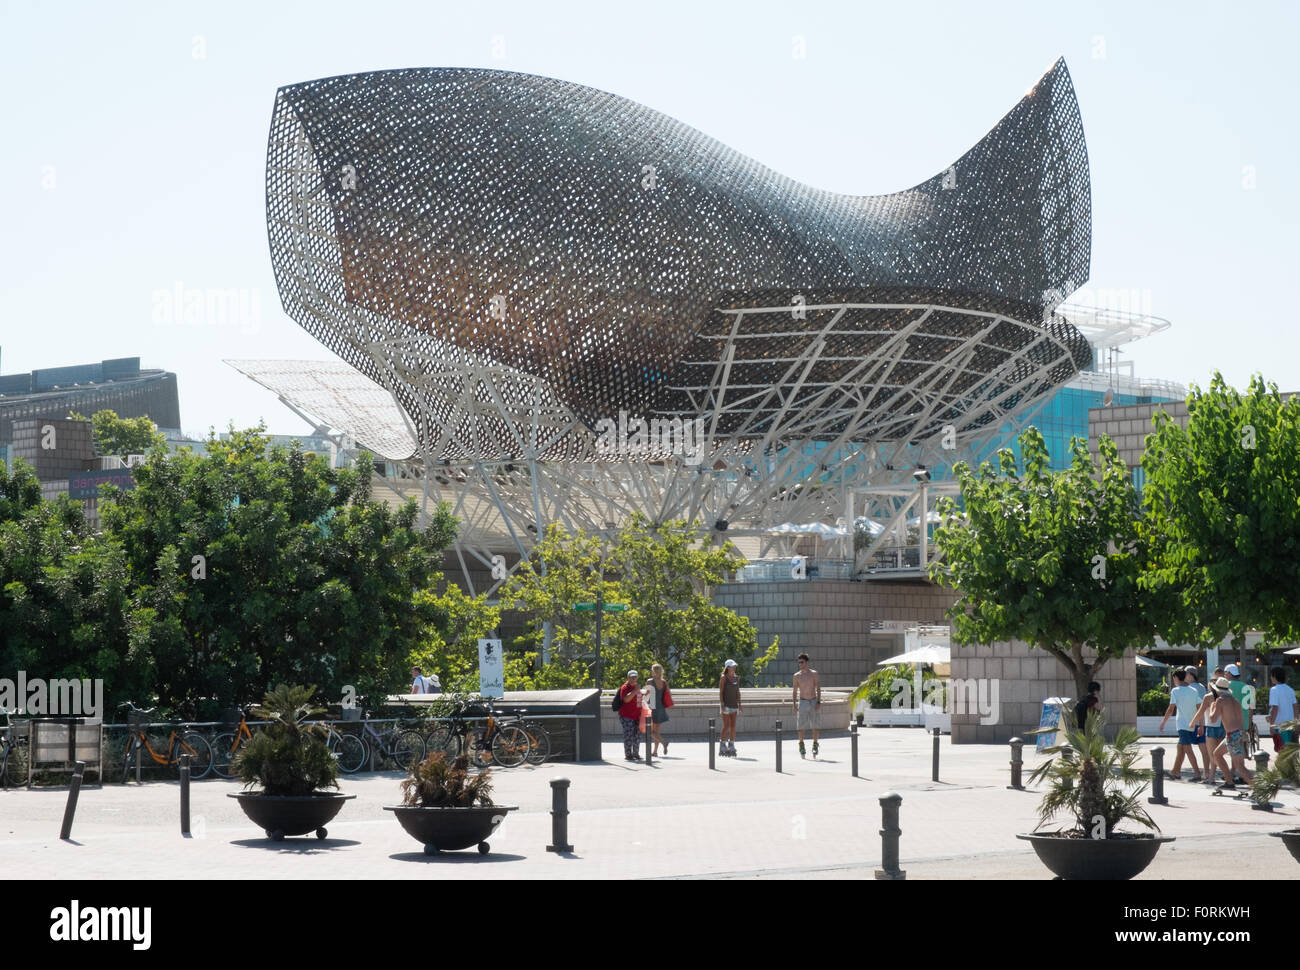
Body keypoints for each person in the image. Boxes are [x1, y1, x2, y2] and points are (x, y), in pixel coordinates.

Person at [1205, 676, 1253, 790]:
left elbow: (1213, 719)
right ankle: (1229, 781)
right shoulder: (1235, 701)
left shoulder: (1220, 701)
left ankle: (1258, 788)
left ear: (1217, 690)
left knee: (1239, 766)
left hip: (1232, 736)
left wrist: (1212, 707)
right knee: (1217, 754)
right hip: (1239, 733)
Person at [1158, 669, 1202, 781]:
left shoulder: (1175, 691)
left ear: (1176, 678)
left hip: (1182, 725)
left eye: (1174, 679)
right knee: (1180, 748)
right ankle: (1175, 772)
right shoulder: (1194, 690)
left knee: (1187, 749)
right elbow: (1199, 708)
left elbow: (1170, 709)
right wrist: (1201, 725)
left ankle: (1197, 774)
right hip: (1192, 724)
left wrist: (1163, 722)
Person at [792, 653, 821, 759]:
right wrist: (794, 704)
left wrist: (818, 702)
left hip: (813, 700)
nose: (800, 664)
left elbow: (818, 688)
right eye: (799, 662)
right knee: (801, 726)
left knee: (815, 725)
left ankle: (815, 745)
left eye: (802, 662)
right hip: (803, 701)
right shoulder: (797, 675)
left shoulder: (814, 674)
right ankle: (801, 745)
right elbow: (795, 691)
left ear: (806, 662)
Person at [1183, 667, 1209, 774]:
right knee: (1204, 749)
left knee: (1185, 747)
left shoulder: (1189, 688)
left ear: (1190, 675)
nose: (1184, 676)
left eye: (1185, 674)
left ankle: (1197, 772)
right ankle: (1206, 773)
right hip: (1203, 720)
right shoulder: (1202, 687)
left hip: (1193, 721)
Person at [1268, 666, 1297, 752]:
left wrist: (1271, 725)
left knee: (1282, 751)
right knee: (1289, 751)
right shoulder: (1290, 690)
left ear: (1274, 676)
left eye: (1271, 676)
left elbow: (1275, 709)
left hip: (1280, 725)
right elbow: (1295, 707)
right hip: (1290, 725)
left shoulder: (1274, 690)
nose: (1270, 678)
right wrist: (1297, 723)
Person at [617, 670, 643, 762]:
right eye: (631, 677)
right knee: (628, 735)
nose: (633, 679)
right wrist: (635, 690)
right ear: (628, 678)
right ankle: (628, 754)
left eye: (635, 677)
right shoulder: (625, 687)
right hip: (626, 715)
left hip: (637, 715)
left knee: (637, 735)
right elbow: (626, 699)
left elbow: (639, 700)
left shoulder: (637, 687)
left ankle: (636, 753)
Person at [718, 659, 742, 757]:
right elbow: (721, 692)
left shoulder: (736, 678)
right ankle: (722, 744)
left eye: (734, 666)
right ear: (727, 667)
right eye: (732, 666)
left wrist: (740, 704)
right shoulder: (723, 678)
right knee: (726, 725)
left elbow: (738, 692)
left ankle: (731, 744)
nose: (734, 667)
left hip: (734, 705)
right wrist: (722, 705)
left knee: (733, 726)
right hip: (726, 705)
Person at [648, 663, 672, 756]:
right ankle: (655, 752)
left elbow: (647, 695)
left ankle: (664, 742)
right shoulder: (664, 682)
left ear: (653, 671)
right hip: (661, 707)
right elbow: (668, 693)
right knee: (656, 732)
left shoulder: (650, 681)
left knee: (650, 732)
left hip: (652, 707)